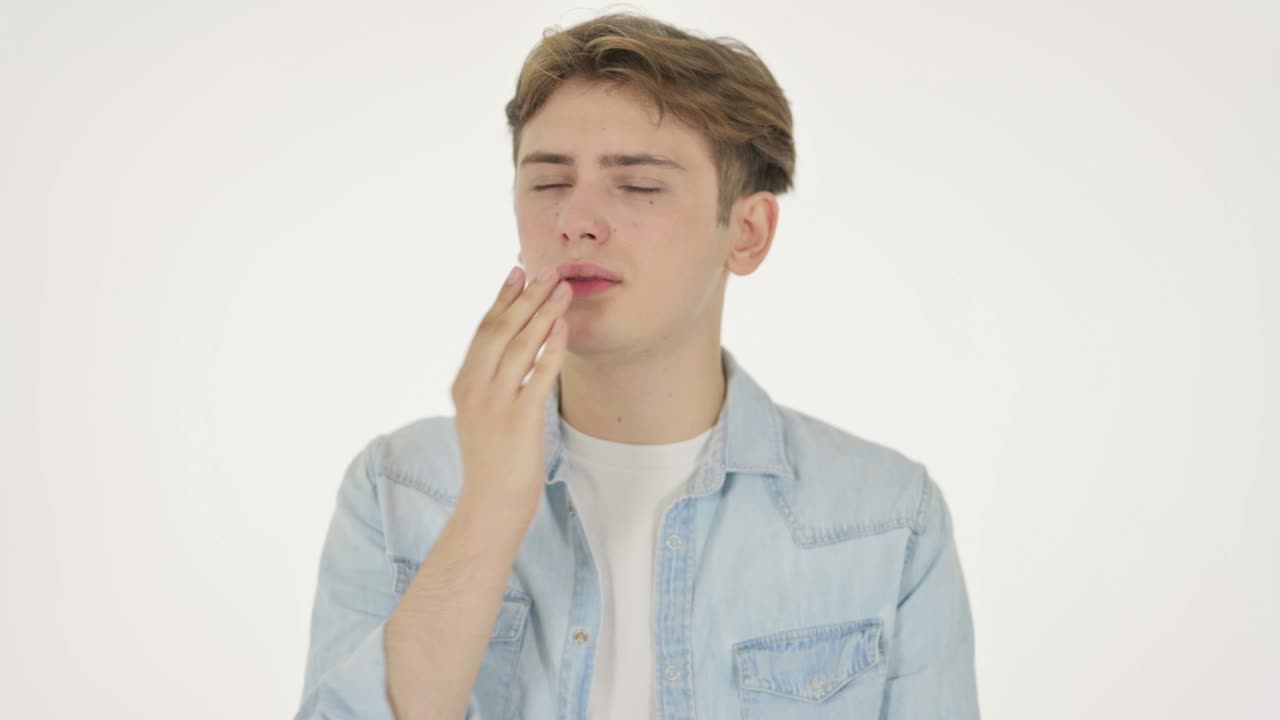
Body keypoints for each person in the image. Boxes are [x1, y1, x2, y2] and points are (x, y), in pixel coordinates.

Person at [294, 11, 978, 720]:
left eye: (640, 186)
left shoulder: (888, 519)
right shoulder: (398, 491)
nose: (578, 220)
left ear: (746, 233)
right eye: (549, 182)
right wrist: (488, 511)